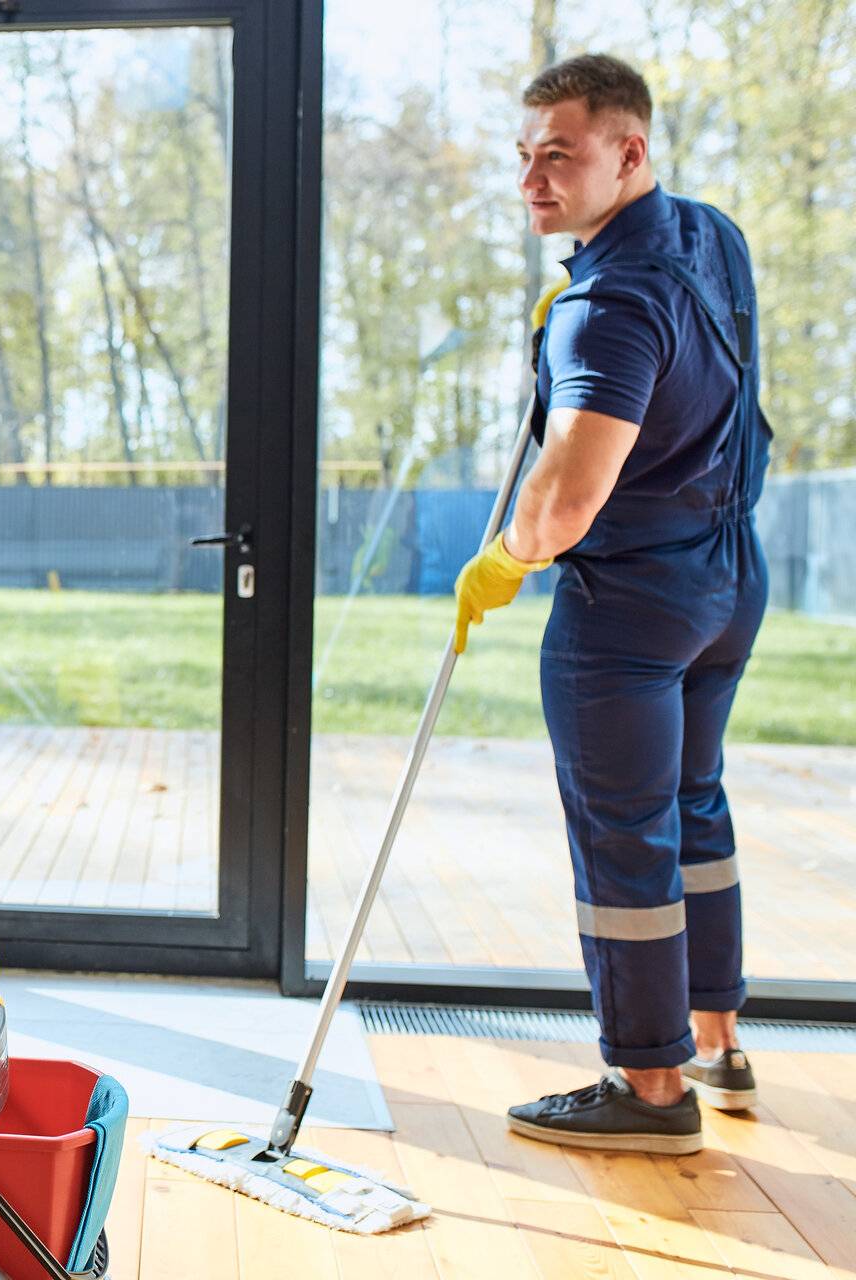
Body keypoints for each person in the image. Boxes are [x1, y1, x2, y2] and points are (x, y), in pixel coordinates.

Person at [454, 53, 771, 1155]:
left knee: (623, 838)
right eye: (526, 156)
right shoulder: (710, 233)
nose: (534, 180)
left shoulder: (607, 306)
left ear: (629, 153)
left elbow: (568, 499)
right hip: (727, 575)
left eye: (561, 155)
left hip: (632, 605)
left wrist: (502, 559)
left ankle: (647, 1087)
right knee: (694, 809)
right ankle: (719, 1040)